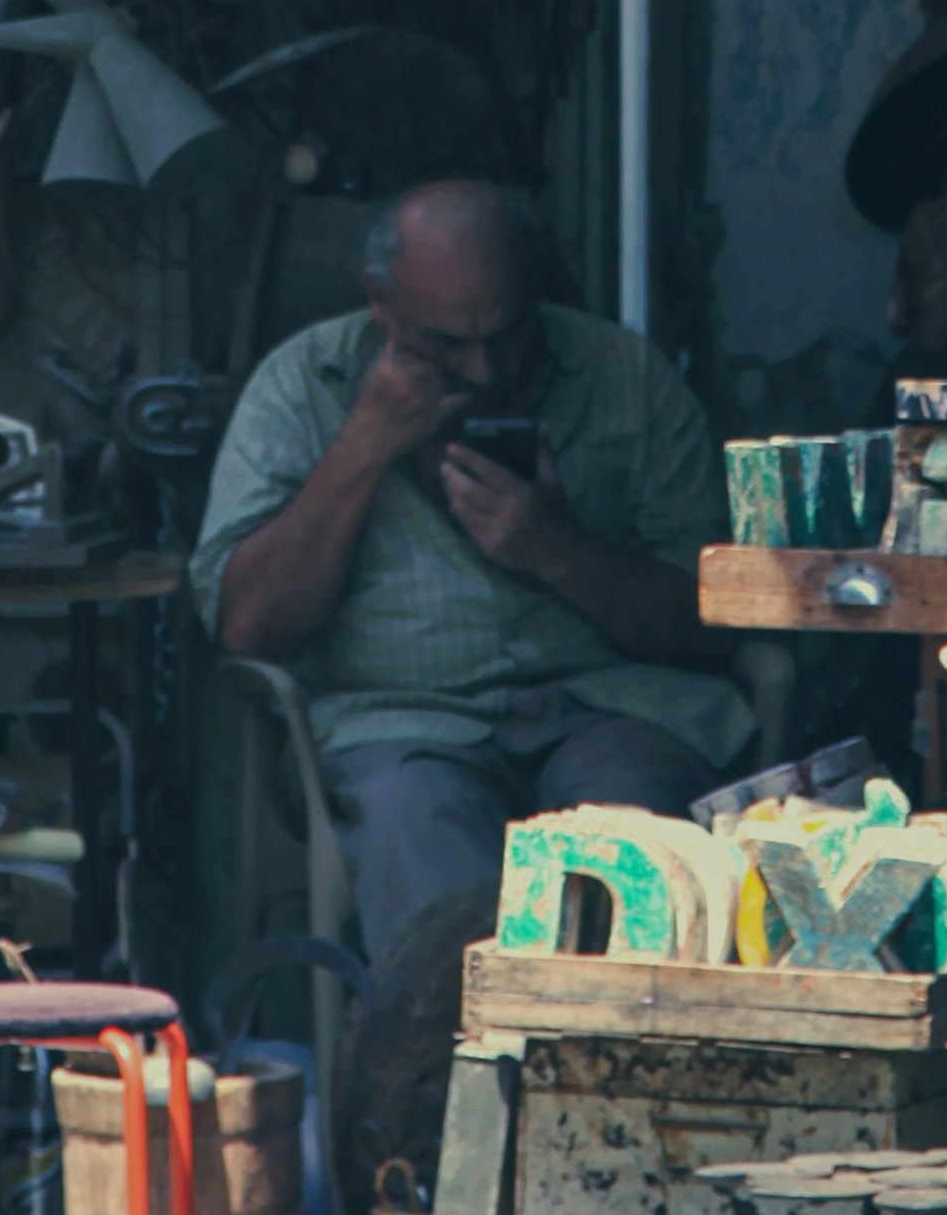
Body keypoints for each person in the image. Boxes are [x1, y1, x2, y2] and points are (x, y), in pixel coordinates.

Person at [190, 179, 752, 961]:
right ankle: (455, 1074)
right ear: (380, 303)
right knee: (417, 834)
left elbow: (713, 620)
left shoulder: (624, 375)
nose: (484, 370)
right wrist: (365, 443)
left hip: (604, 708)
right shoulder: (301, 386)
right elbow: (246, 624)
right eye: (447, 344)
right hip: (401, 728)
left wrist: (557, 548)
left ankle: (616, 1070)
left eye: (509, 333)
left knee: (633, 836)